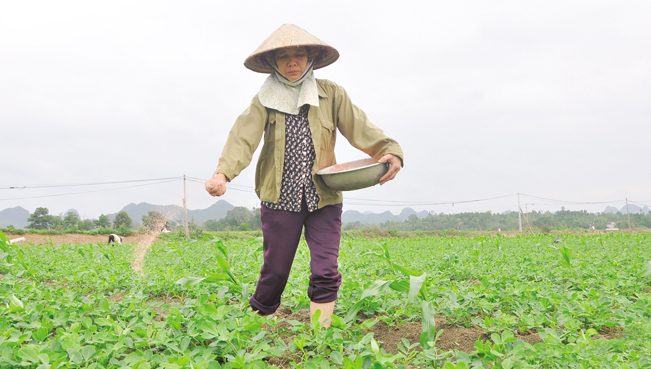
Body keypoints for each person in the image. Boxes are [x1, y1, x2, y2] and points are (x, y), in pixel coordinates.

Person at [205, 24, 403, 326]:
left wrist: (390, 150)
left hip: (324, 198)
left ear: (311, 58)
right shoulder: (264, 100)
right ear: (273, 62)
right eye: (284, 57)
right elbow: (242, 138)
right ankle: (254, 327)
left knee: (326, 269)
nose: (292, 62)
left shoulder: (331, 94)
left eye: (299, 54)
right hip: (279, 200)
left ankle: (320, 336)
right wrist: (223, 174)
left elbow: (360, 128)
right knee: (276, 271)